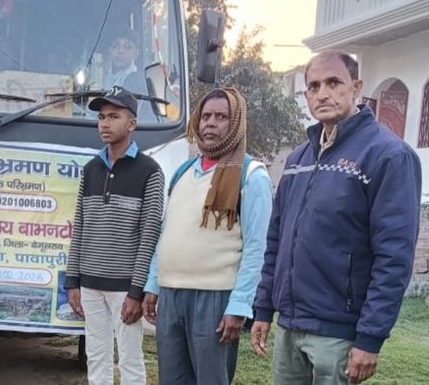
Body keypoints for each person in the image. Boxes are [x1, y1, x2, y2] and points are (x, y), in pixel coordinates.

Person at [251, 50, 422, 385]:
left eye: (333, 83)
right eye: (313, 86)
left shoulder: (388, 155)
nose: (322, 94)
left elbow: (394, 255)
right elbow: (277, 240)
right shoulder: (298, 159)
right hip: (289, 326)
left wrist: (370, 337)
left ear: (356, 87)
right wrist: (264, 308)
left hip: (339, 334)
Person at [142, 87, 273, 384]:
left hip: (215, 299)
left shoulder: (251, 175)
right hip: (172, 295)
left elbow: (257, 249)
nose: (210, 123)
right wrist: (153, 283)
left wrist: (239, 305)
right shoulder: (183, 172)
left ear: (236, 123)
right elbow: (167, 233)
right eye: (205, 116)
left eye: (221, 117)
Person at [65, 85, 164, 385]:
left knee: (130, 361)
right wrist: (72, 280)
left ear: (131, 124)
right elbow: (80, 226)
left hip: (124, 287)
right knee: (97, 358)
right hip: (90, 284)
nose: (105, 123)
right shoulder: (90, 170)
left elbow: (149, 235)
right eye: (101, 117)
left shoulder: (150, 171)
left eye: (113, 116)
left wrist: (136, 291)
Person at [102, 29, 147, 94]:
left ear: (136, 54)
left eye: (127, 47)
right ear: (109, 49)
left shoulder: (138, 81)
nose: (120, 51)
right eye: (116, 45)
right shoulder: (103, 77)